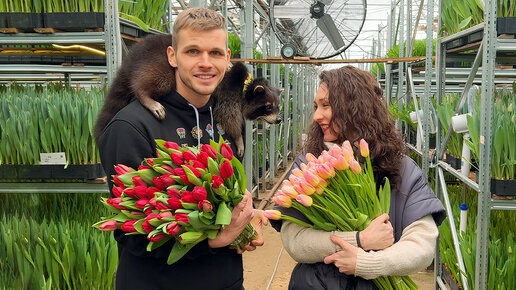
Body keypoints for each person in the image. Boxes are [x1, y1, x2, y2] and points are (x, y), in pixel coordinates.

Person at [97, 7, 265, 290]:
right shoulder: (131, 127)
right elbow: (132, 232)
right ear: (172, 56)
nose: (205, 63)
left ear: (226, 59)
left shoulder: (228, 119)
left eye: (214, 53)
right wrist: (214, 240)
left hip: (226, 282)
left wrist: (243, 219)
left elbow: (226, 198)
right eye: (192, 52)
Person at [271, 65, 446, 289]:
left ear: (356, 106)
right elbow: (294, 240)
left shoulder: (403, 169)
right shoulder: (309, 165)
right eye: (316, 106)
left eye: (326, 105)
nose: (316, 116)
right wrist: (358, 239)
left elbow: (422, 246)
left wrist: (366, 262)